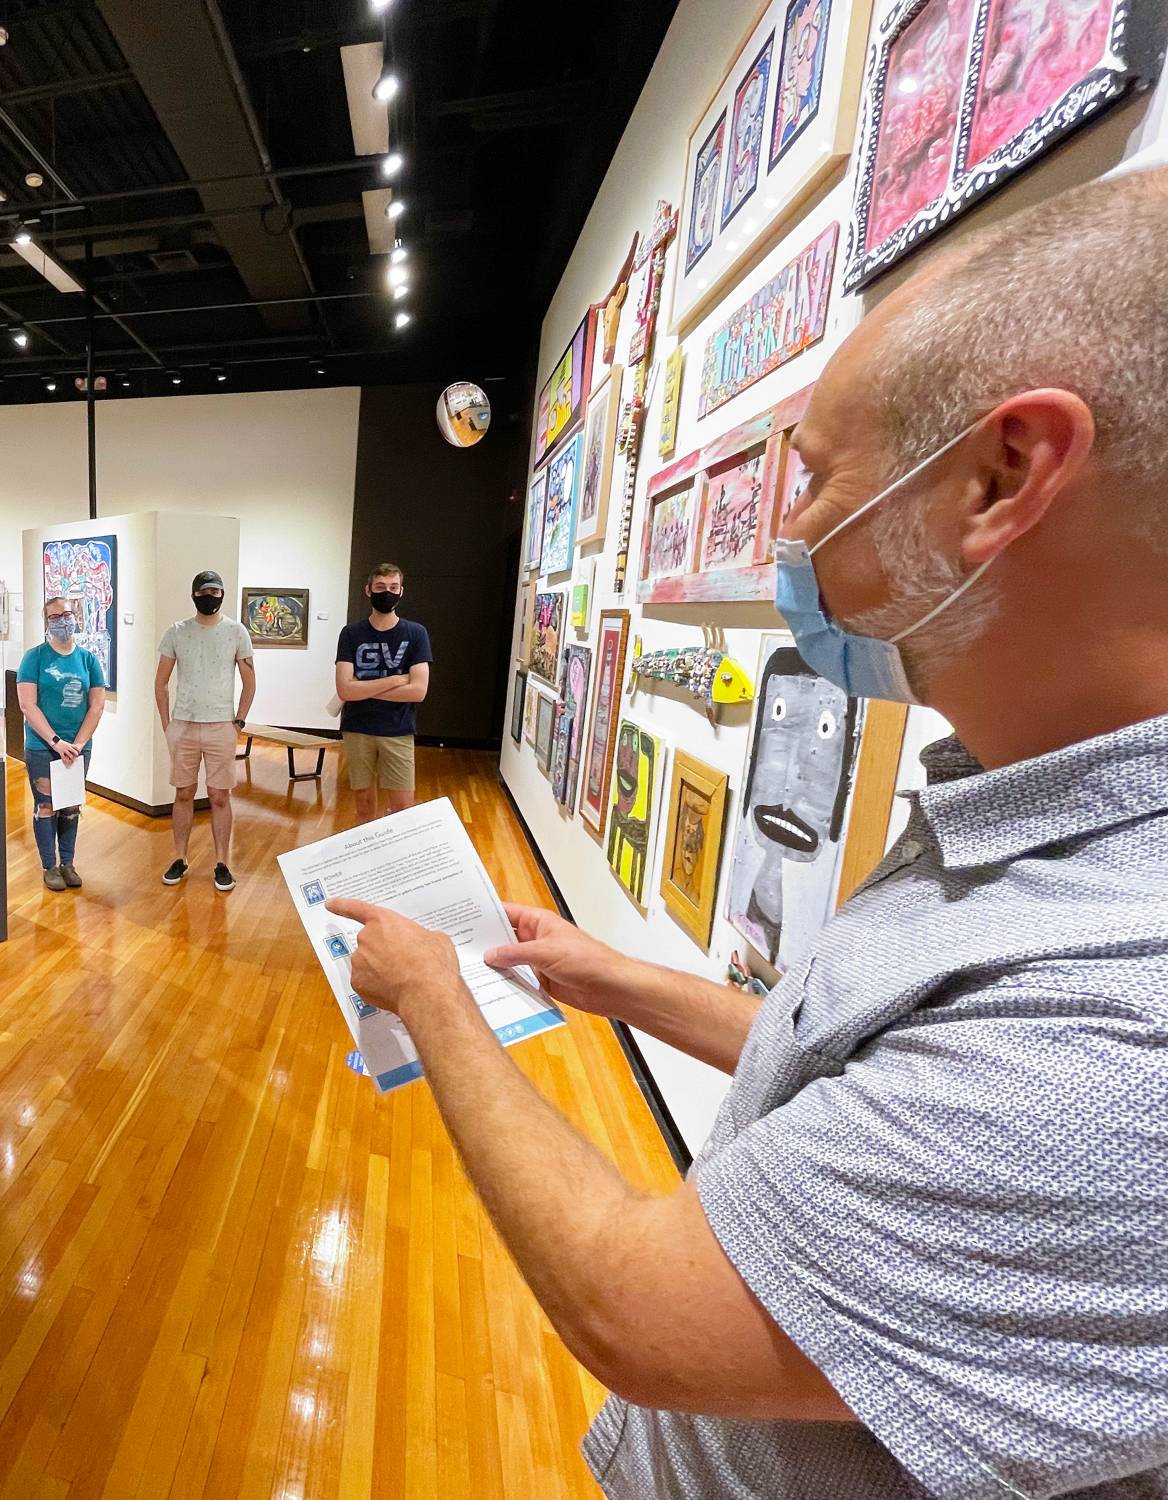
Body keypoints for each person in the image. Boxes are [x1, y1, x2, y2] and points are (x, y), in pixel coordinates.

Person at [327, 167, 1168, 1496]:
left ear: (1001, 476)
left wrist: (432, 996)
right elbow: (853, 1058)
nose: (787, 532)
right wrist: (616, 979)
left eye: (818, 477)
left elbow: (639, 1313)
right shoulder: (1024, 812)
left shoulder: (1118, 1020)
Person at [154, 569, 255, 893]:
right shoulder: (177, 632)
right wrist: (168, 725)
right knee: (183, 793)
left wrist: (238, 722)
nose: (209, 597)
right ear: (193, 595)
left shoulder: (236, 632)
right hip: (184, 725)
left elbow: (250, 682)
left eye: (214, 592)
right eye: (203, 592)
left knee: (219, 795)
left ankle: (222, 862)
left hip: (221, 725)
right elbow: (160, 683)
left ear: (222, 594)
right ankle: (180, 857)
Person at [18, 594, 106, 892]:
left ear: (75, 617)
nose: (62, 621)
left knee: (70, 806)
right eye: (54, 617)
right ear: (46, 622)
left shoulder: (88, 660)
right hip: (42, 747)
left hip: (78, 748)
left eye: (66, 615)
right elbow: (28, 705)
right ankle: (49, 866)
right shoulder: (34, 657)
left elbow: (96, 706)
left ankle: (68, 863)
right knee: (46, 805)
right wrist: (56, 742)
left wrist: (78, 744)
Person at [335, 562, 432, 824]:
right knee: (364, 805)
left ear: (401, 591)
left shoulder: (416, 633)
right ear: (368, 590)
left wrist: (362, 689)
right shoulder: (351, 633)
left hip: (398, 729)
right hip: (358, 728)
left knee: (403, 809)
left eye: (393, 587)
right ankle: (368, 851)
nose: (387, 592)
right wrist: (395, 680)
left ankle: (396, 853)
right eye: (380, 587)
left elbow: (418, 691)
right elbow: (344, 689)